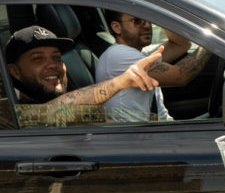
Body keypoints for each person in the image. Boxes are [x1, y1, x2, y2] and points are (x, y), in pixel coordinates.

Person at [4, 25, 161, 127]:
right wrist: (119, 82)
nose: (52, 64)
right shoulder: (10, 113)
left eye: (57, 57)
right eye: (37, 59)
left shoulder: (81, 107)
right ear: (14, 71)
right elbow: (48, 112)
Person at [96, 11, 211, 122]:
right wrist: (211, 42)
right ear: (117, 27)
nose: (147, 25)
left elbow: (181, 44)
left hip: (157, 130)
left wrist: (158, 12)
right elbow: (180, 75)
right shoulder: (119, 55)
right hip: (137, 137)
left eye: (149, 19)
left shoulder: (140, 53)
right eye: (137, 20)